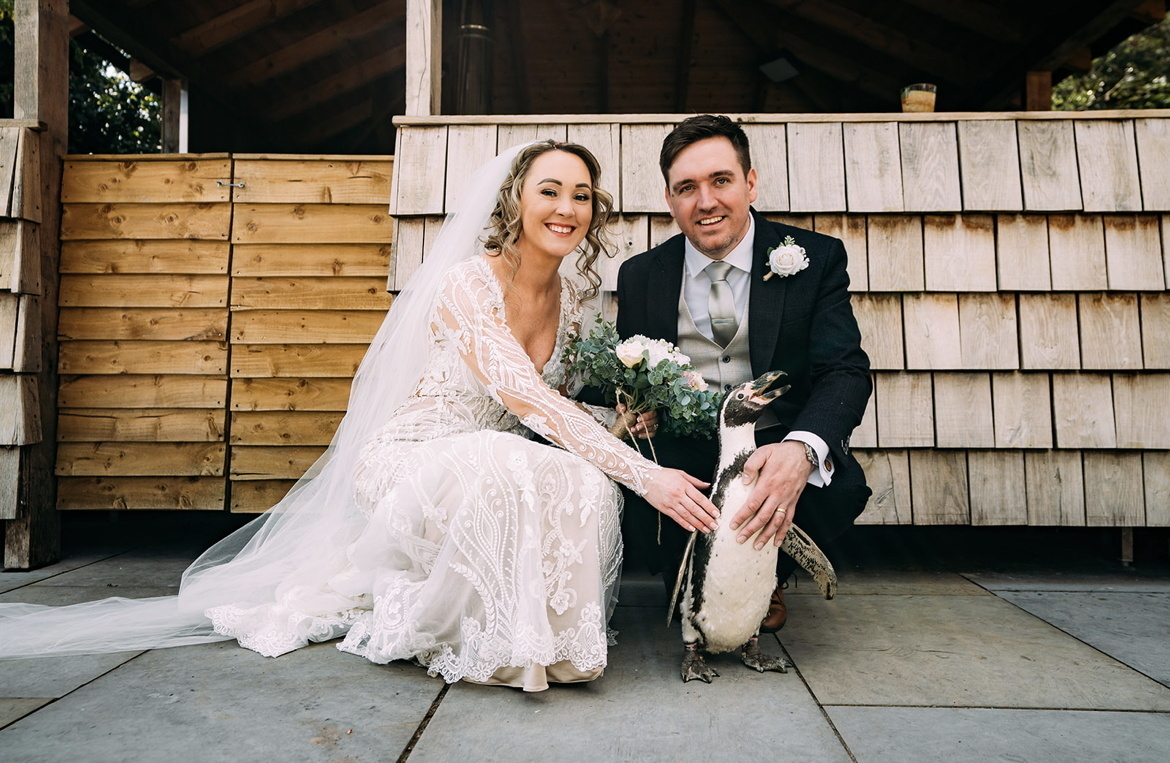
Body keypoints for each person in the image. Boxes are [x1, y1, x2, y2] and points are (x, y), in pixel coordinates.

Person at [0, 141, 719, 692]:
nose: (567, 207)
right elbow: (525, 396)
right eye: (550, 191)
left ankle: (553, 648)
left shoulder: (578, 302)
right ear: (515, 201)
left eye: (582, 196)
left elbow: (551, 399)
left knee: (578, 481)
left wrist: (622, 424)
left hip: (492, 452)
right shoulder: (467, 284)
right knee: (518, 465)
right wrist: (648, 480)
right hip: (416, 454)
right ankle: (497, 647)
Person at [616, 115, 872, 631]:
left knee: (838, 489)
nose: (705, 202)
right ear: (669, 199)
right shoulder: (642, 274)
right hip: (682, 442)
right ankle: (689, 575)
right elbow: (627, 373)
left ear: (750, 183)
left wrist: (802, 449)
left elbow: (844, 370)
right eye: (686, 188)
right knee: (630, 495)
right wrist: (632, 406)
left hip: (773, 436)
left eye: (721, 180)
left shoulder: (815, 258)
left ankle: (765, 574)